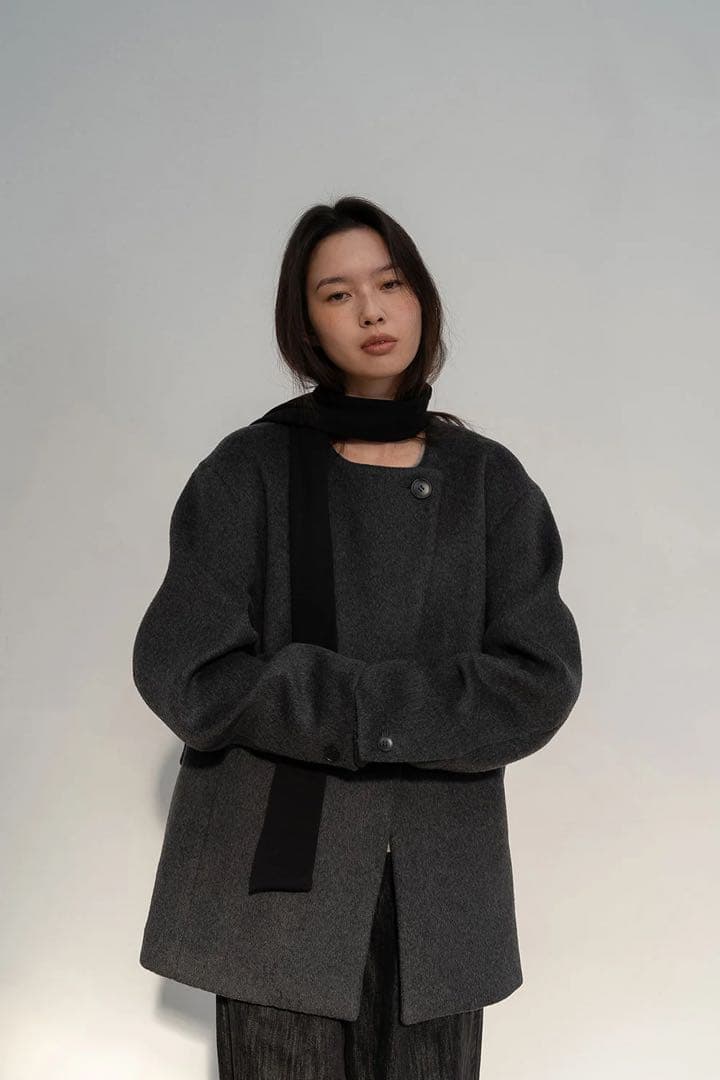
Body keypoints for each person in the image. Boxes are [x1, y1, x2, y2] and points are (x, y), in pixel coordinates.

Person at [132, 195, 583, 1078]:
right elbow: (183, 666)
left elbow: (539, 680)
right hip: (274, 891)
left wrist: (360, 711)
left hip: (439, 889)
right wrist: (365, 711)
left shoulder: (489, 483)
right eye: (337, 294)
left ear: (422, 298)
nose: (372, 311)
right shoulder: (248, 470)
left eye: (390, 283)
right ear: (305, 324)